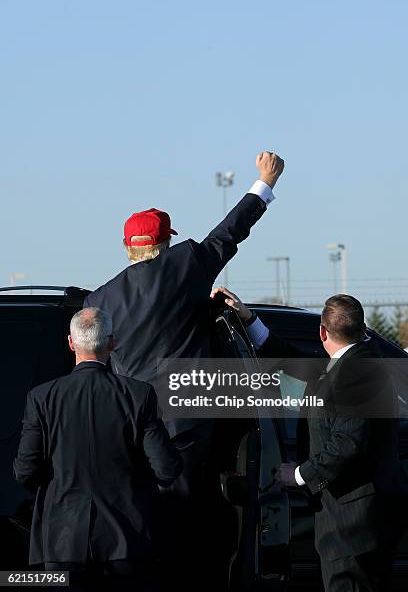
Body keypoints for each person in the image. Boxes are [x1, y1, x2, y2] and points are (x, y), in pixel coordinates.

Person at [82, 151, 284, 589]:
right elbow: (229, 234)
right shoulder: (184, 265)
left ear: (127, 247)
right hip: (188, 428)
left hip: (129, 435)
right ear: (166, 244)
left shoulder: (99, 300)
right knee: (195, 535)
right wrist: (264, 183)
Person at [211, 287, 402, 592]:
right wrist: (249, 320)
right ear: (362, 329)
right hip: (357, 520)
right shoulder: (354, 363)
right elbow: (292, 362)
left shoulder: (355, 373)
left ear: (323, 333)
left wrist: (299, 474)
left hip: (353, 524)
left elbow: (348, 442)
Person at [13, 307, 182, 591]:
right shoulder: (139, 395)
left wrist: (56, 492)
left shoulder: (41, 398)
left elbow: (25, 470)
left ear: (70, 342)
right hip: (126, 543)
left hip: (61, 544)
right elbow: (166, 469)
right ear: (112, 343)